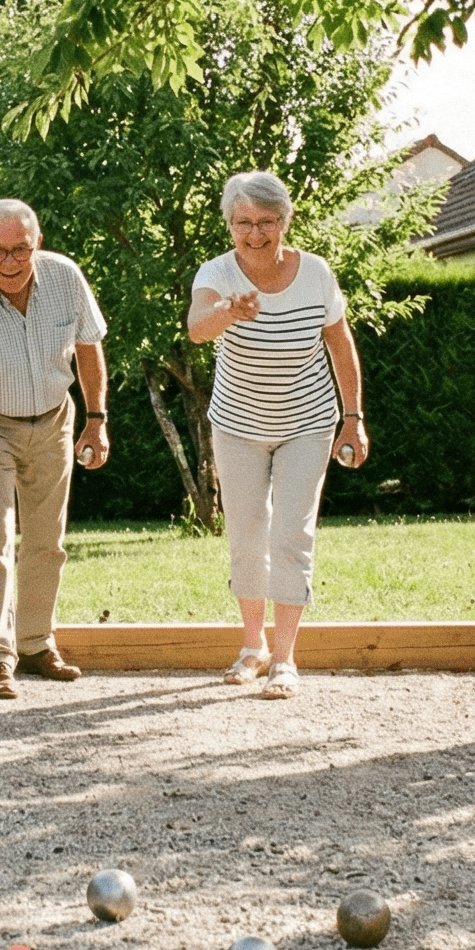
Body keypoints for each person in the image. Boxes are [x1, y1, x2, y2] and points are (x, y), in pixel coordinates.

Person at [185, 171, 370, 700]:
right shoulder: (217, 272)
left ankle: (285, 658)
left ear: (285, 221)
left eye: (267, 221)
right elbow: (198, 327)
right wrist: (229, 310)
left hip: (308, 423)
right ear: (229, 224)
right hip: (238, 425)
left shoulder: (314, 273)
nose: (256, 233)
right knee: (246, 534)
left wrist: (352, 418)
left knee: (292, 533)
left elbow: (340, 345)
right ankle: (252, 648)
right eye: (244, 222)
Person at [0, 199, 112, 699]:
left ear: (36, 242)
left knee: (47, 540)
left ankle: (37, 644)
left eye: (20, 249)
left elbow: (88, 348)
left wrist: (96, 419)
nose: (10, 263)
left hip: (55, 418)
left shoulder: (65, 278)